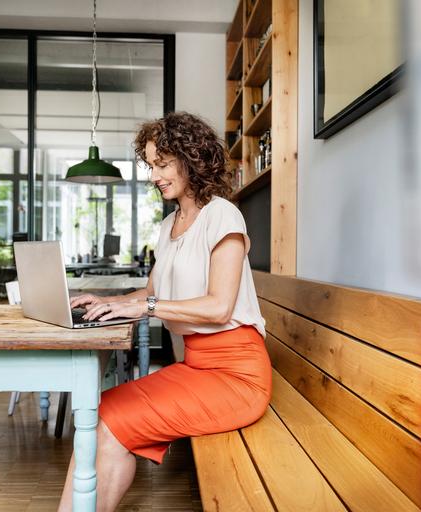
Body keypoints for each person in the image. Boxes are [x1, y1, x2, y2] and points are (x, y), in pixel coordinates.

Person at [58, 112, 271, 511]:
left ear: (191, 159)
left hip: (237, 376)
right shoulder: (170, 224)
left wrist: (146, 306)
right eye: (151, 165)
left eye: (162, 164)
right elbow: (153, 289)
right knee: (100, 414)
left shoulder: (222, 215)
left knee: (107, 424)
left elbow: (219, 306)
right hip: (198, 366)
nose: (154, 175)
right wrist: (110, 302)